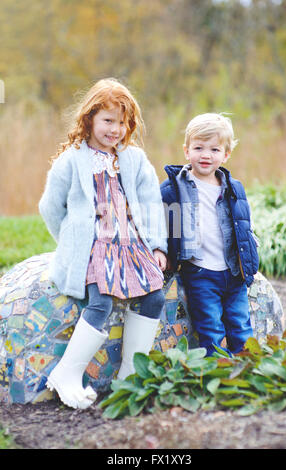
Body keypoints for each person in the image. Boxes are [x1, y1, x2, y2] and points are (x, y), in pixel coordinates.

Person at [39, 78, 167, 409]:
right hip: (95, 246)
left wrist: (156, 246)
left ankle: (129, 374)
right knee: (102, 302)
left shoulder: (134, 159)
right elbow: (51, 207)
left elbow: (152, 204)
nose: (115, 129)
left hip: (130, 242)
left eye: (122, 123)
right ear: (90, 119)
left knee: (154, 295)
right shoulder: (72, 159)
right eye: (107, 120)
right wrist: (72, 244)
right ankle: (67, 373)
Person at [160, 113, 259, 357]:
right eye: (198, 147)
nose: (206, 155)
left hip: (233, 272)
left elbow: (243, 224)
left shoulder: (233, 188)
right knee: (210, 327)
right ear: (186, 150)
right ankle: (218, 373)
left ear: (226, 155)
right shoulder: (174, 187)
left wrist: (250, 254)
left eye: (214, 149)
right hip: (200, 272)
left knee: (240, 325)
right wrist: (165, 252)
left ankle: (247, 372)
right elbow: (163, 223)